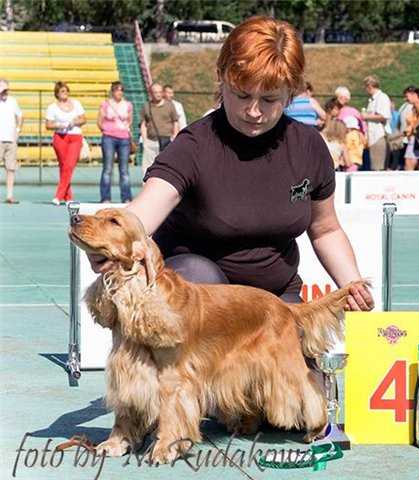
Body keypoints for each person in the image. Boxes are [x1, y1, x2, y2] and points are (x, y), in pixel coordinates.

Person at [88, 16, 373, 312]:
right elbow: (145, 211)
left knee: (295, 347)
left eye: (269, 99)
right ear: (222, 79)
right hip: (196, 299)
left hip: (273, 301)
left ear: (292, 93)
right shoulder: (193, 145)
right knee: (197, 277)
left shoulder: (309, 147)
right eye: (242, 95)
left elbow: (325, 229)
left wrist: (352, 285)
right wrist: (111, 241)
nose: (253, 111)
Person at [45, 81, 86, 205]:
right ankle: (68, 197)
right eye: (62, 91)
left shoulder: (76, 104)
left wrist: (74, 122)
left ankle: (59, 195)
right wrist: (59, 125)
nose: (65, 93)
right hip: (60, 137)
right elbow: (48, 124)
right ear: (57, 93)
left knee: (69, 165)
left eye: (66, 90)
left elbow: (83, 119)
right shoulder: (52, 107)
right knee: (64, 166)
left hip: (75, 136)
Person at [97, 81, 133, 203]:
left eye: (121, 90)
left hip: (124, 138)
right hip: (109, 137)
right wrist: (107, 130)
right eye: (117, 90)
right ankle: (105, 197)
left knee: (124, 170)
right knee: (107, 168)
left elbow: (130, 120)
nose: (120, 92)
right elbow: (99, 120)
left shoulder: (128, 105)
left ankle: (126, 197)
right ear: (112, 91)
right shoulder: (105, 104)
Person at [140, 82, 179, 177]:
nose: (158, 94)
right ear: (151, 93)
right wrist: (145, 140)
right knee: (147, 168)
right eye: (155, 92)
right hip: (151, 141)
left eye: (159, 92)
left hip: (167, 141)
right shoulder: (146, 106)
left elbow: (175, 122)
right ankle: (148, 188)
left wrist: (175, 137)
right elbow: (143, 124)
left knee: (167, 167)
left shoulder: (170, 105)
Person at [361, 75, 392, 171]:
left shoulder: (382, 97)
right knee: (373, 167)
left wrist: (365, 116)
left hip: (378, 136)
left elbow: (384, 116)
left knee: (378, 168)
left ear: (369, 86)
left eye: (365, 87)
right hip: (372, 137)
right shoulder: (372, 100)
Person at [0, 79, 23, 204]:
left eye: (5, 90)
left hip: (11, 139)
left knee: (11, 168)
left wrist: (18, 130)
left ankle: (9, 195)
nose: (4, 93)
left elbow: (20, 115)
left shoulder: (13, 101)